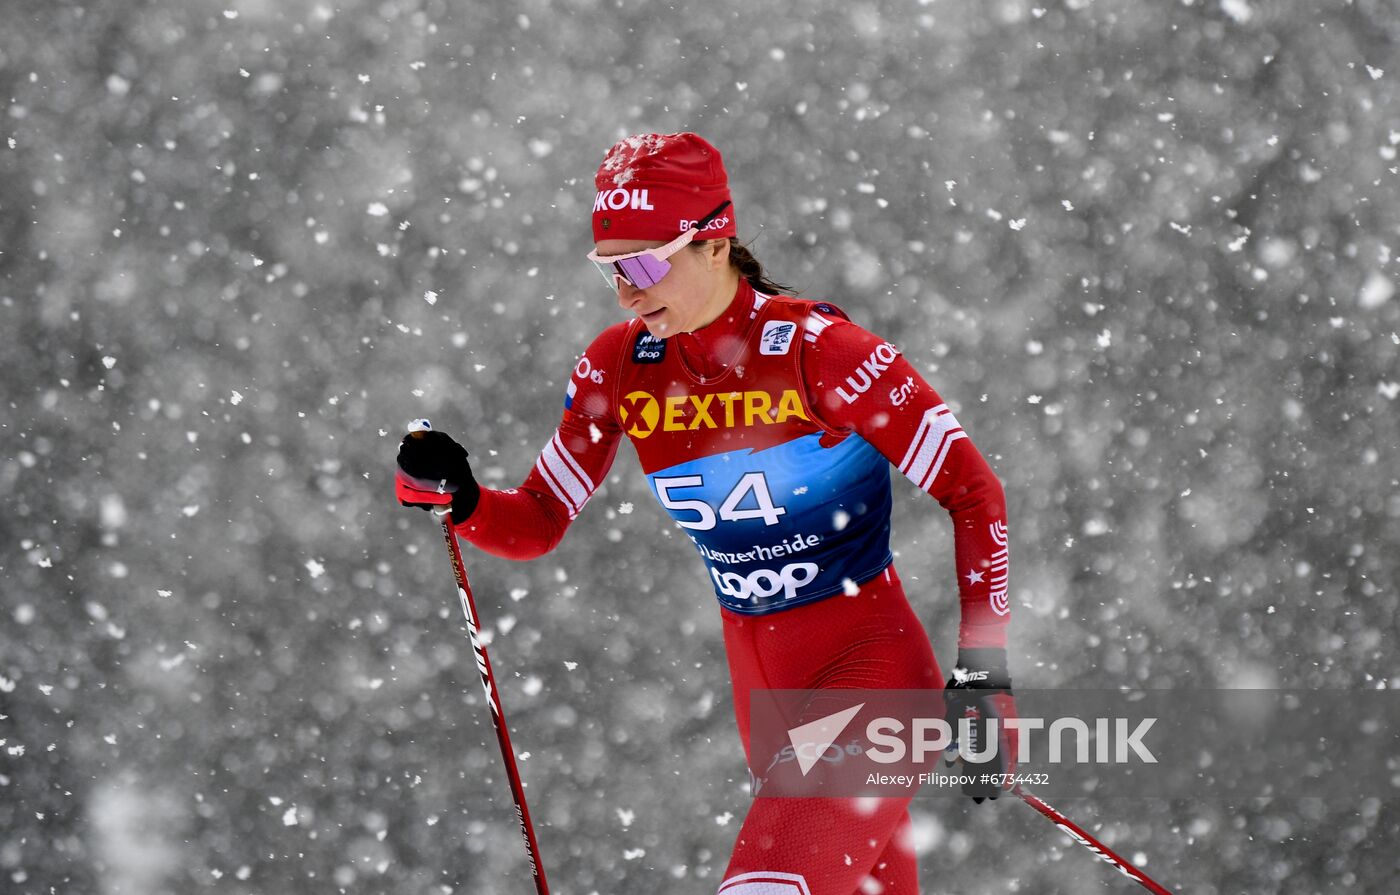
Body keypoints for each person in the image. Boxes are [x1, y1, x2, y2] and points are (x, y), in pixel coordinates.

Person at [396, 132, 1017, 895]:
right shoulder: (622, 366)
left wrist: (985, 674)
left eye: (644, 263)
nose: (626, 291)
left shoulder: (822, 353)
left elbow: (973, 490)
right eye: (610, 269)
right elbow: (538, 516)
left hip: (871, 677)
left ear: (715, 241)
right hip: (765, 703)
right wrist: (462, 497)